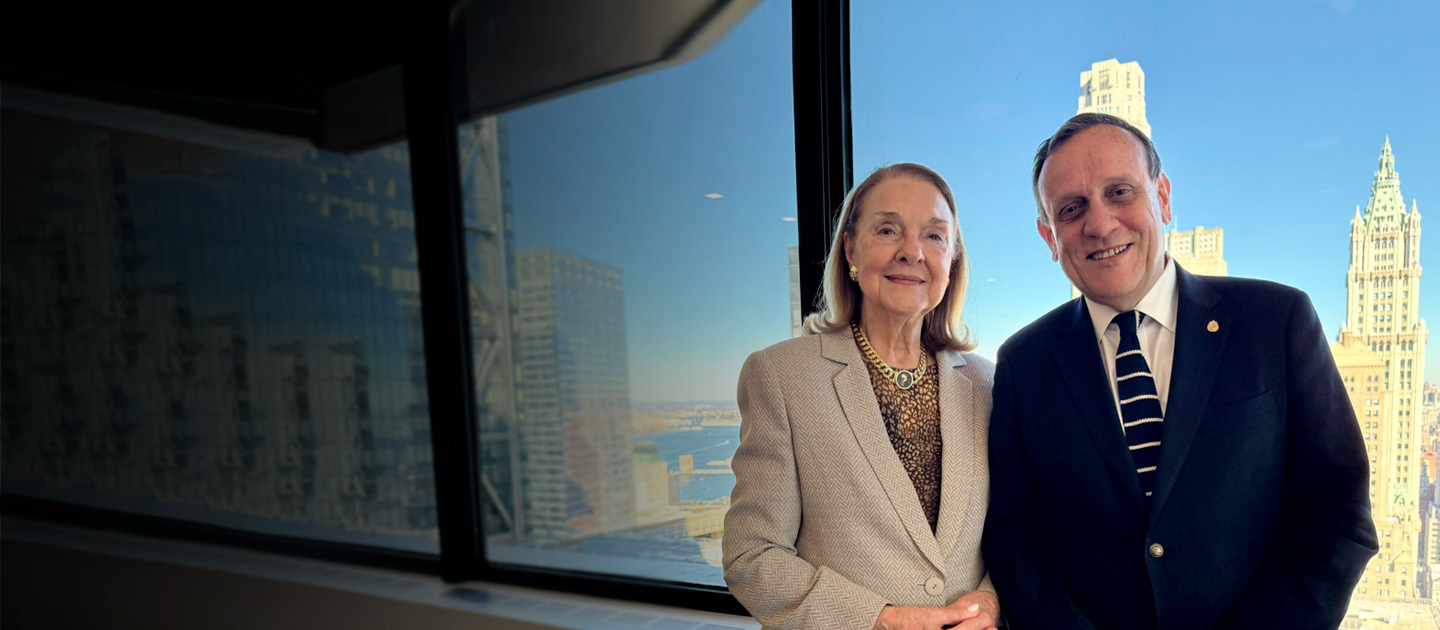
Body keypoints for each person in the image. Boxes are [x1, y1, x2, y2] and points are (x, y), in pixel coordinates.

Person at [982, 112, 1378, 628]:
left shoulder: (1276, 322)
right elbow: (1017, 539)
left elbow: (1337, 515)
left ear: (1162, 197)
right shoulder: (1022, 363)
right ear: (1049, 236)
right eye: (1071, 209)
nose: (1099, 224)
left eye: (1120, 192)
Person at [723, 163, 999, 630]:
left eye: (934, 236)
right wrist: (878, 620)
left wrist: (990, 603)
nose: (912, 252)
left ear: (952, 260)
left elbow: (1017, 532)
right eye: (888, 230)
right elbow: (752, 555)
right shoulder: (781, 376)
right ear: (851, 248)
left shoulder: (989, 384)